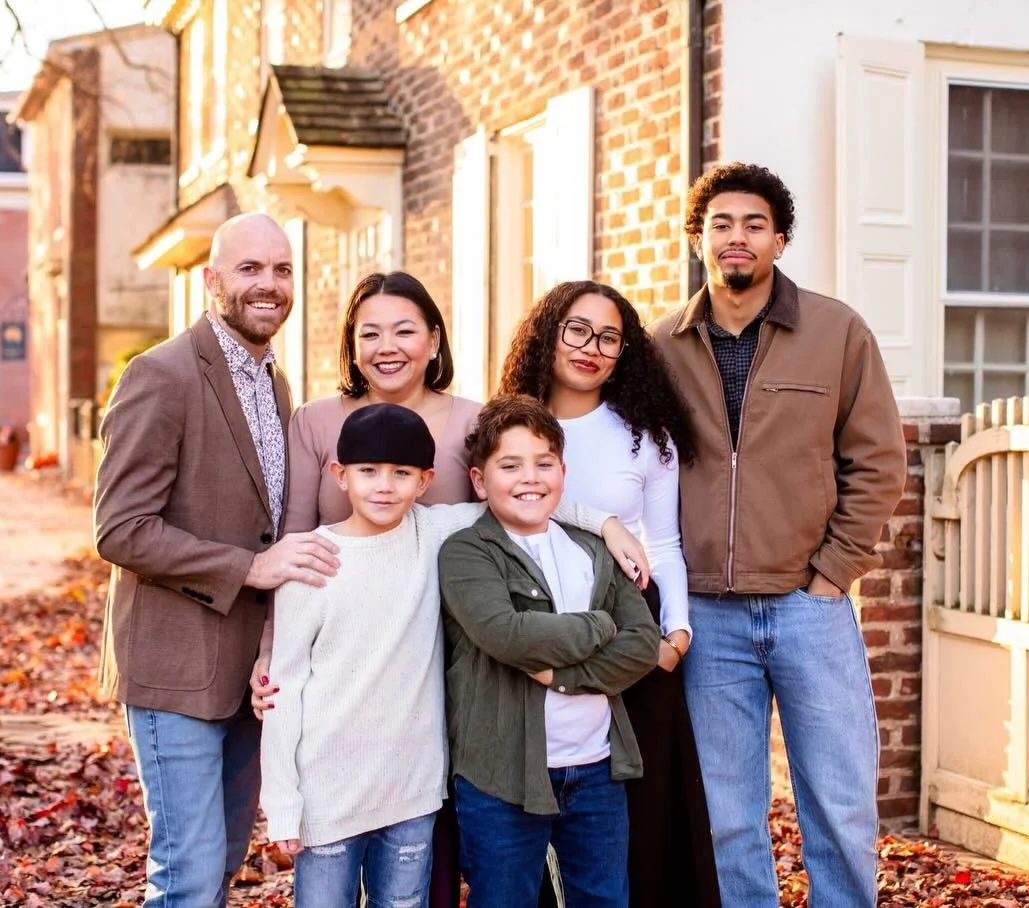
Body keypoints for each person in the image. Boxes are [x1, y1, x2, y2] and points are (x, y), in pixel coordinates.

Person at [649, 162, 906, 906]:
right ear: (698, 238)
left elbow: (880, 461)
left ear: (780, 240)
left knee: (841, 808)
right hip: (707, 618)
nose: (737, 237)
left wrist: (831, 573)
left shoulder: (836, 332)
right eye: (721, 224)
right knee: (728, 819)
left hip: (807, 605)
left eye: (754, 224)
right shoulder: (662, 344)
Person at [259, 402, 629, 907]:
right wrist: (283, 802)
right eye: (367, 472)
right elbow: (286, 687)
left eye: (401, 473)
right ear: (339, 475)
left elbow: (521, 496)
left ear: (425, 480)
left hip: (412, 789)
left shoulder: (432, 532)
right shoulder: (312, 563)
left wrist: (604, 522)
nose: (385, 486)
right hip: (329, 791)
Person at [93, 213, 335, 906]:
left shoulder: (276, 384)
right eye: (250, 269)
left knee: (222, 864)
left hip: (249, 678)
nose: (269, 284)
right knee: (188, 876)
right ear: (212, 281)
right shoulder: (160, 375)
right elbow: (120, 529)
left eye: (282, 269)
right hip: (176, 670)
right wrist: (247, 569)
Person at [249, 270, 481, 908]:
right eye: (369, 331)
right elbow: (292, 544)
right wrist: (270, 652)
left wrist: (602, 521)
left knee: (420, 876)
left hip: (436, 671)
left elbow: (524, 495)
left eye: (405, 329)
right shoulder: (317, 422)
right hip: (338, 668)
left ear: (434, 339)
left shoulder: (472, 422)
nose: (388, 345)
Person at [499, 281, 719, 907]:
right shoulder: (512, 424)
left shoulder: (643, 435)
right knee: (537, 818)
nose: (591, 348)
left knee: (643, 814)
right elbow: (506, 500)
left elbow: (667, 543)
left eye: (610, 337)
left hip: (634, 645)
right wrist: (603, 519)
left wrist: (676, 635)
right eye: (577, 329)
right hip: (533, 640)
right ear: (549, 333)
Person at [439, 394, 662, 908]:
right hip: (502, 775)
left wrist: (563, 677)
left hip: (597, 768)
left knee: (603, 898)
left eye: (543, 463)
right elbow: (506, 634)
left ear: (563, 472)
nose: (529, 478)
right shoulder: (468, 552)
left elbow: (644, 643)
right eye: (510, 465)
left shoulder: (590, 549)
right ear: (479, 480)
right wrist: (601, 624)